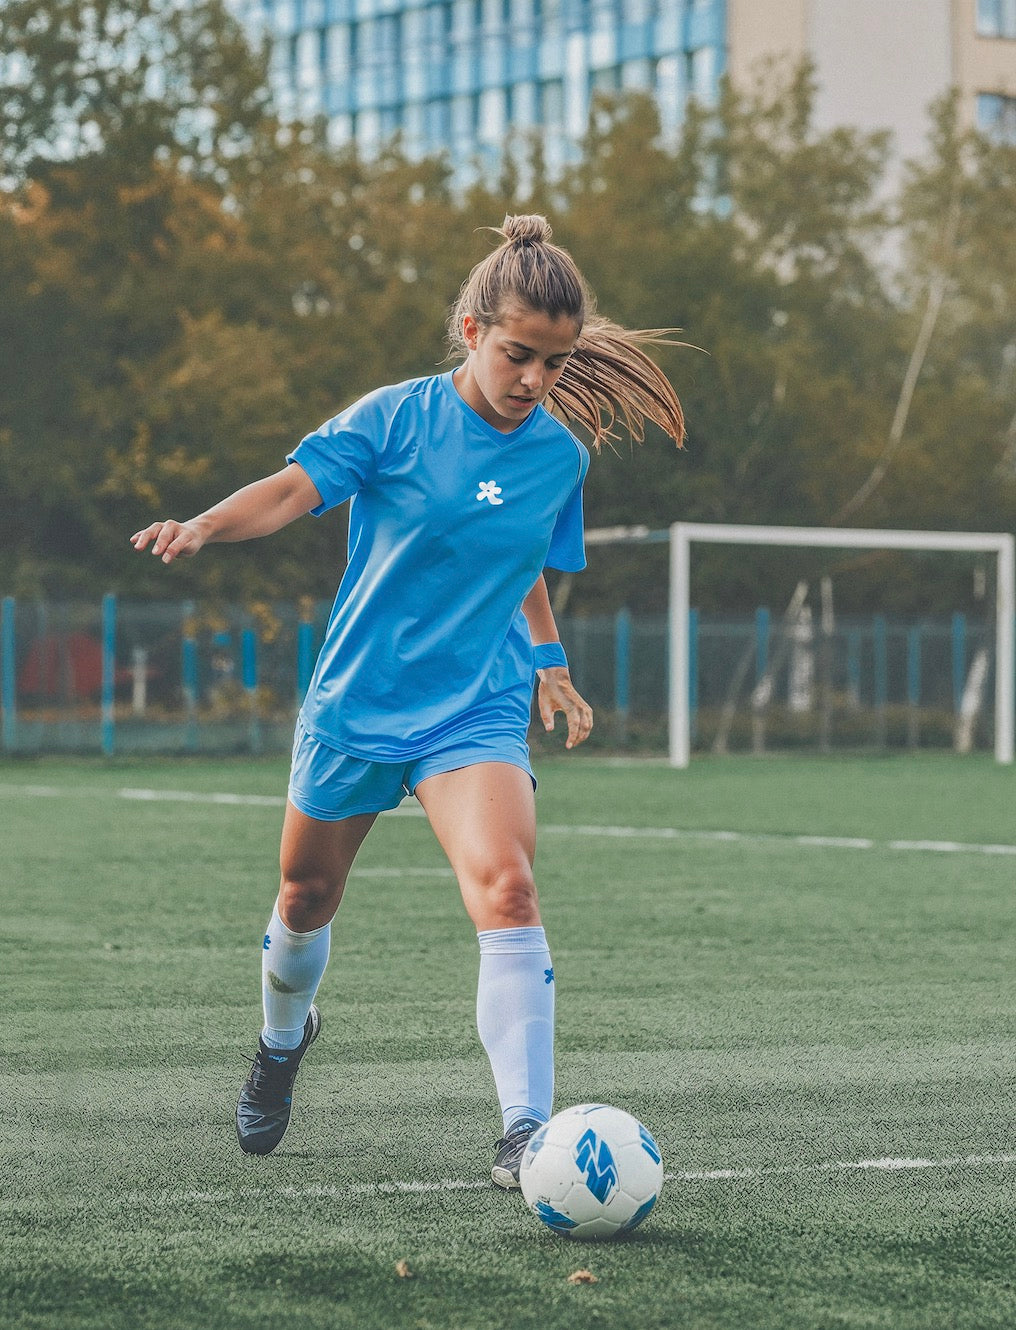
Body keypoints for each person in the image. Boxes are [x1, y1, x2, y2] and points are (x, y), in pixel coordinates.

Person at [130, 214, 685, 1188]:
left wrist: (549, 663)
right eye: (518, 354)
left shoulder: (560, 459)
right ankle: (281, 1038)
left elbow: (521, 563)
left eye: (554, 363)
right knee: (304, 895)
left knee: (507, 887)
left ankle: (522, 1131)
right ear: (472, 331)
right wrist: (205, 527)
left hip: (472, 708)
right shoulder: (392, 419)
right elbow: (292, 491)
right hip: (359, 701)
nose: (533, 380)